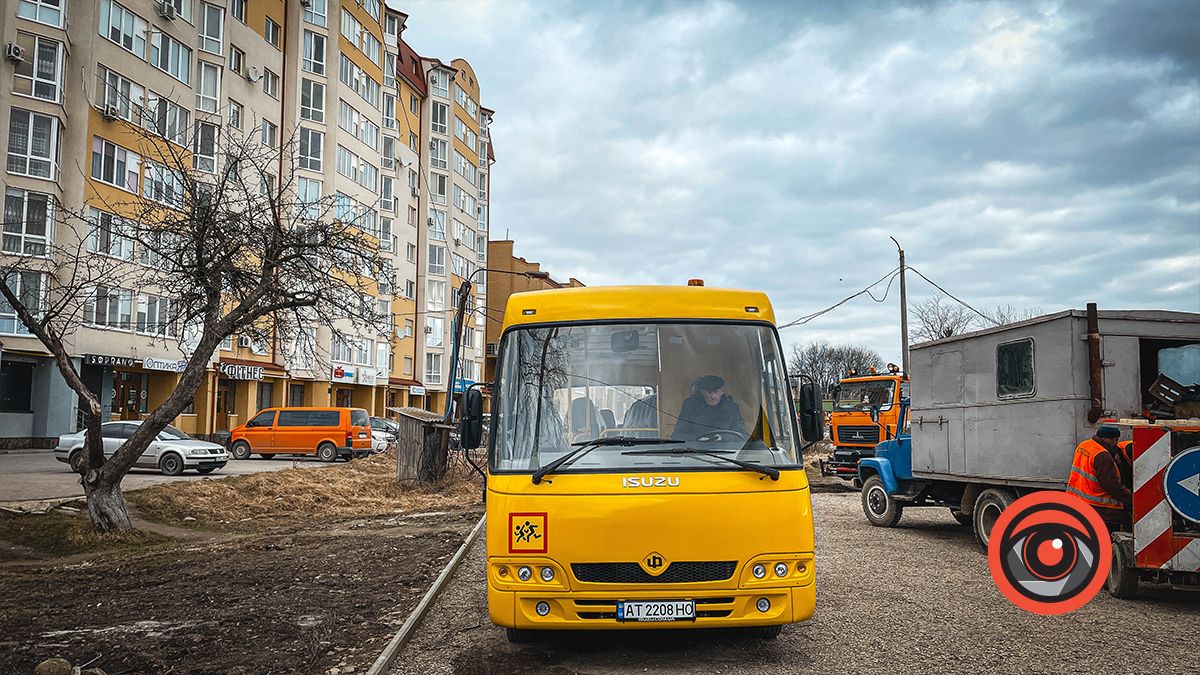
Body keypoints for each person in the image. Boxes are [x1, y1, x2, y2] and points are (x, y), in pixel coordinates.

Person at [1066, 425, 1133, 530]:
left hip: (1079, 501)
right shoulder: (1103, 455)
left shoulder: (1084, 445)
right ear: (1106, 439)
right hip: (1101, 509)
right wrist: (1130, 497)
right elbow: (1111, 485)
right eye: (1114, 440)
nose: (1116, 444)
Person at [671, 375, 746, 441]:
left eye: (716, 392)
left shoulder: (732, 408)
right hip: (694, 452)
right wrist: (696, 439)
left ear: (722, 392)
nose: (713, 397)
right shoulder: (690, 406)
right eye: (709, 392)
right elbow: (677, 435)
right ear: (702, 391)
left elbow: (742, 435)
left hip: (727, 454)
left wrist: (723, 438)